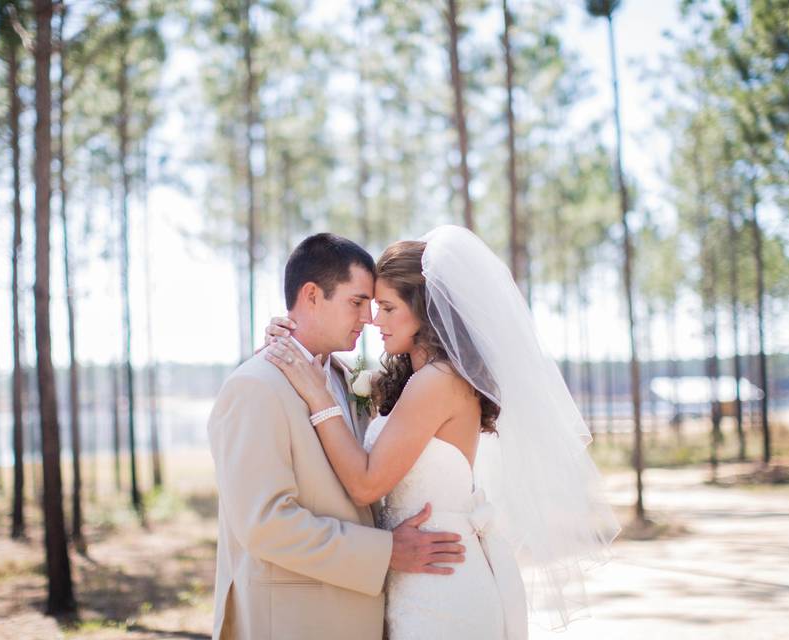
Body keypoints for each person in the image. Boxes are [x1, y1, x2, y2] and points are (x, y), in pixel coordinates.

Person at [265, 226, 620, 639]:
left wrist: (316, 394)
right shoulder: (420, 378)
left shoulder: (438, 381)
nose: (374, 320)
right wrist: (294, 341)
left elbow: (364, 485)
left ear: (425, 310)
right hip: (422, 576)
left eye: (387, 308)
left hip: (441, 587)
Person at [207, 232, 466, 640]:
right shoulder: (254, 387)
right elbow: (265, 524)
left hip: (368, 615)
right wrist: (385, 552)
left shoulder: (347, 378)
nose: (368, 318)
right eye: (357, 302)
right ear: (312, 296)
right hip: (296, 620)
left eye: (374, 305)